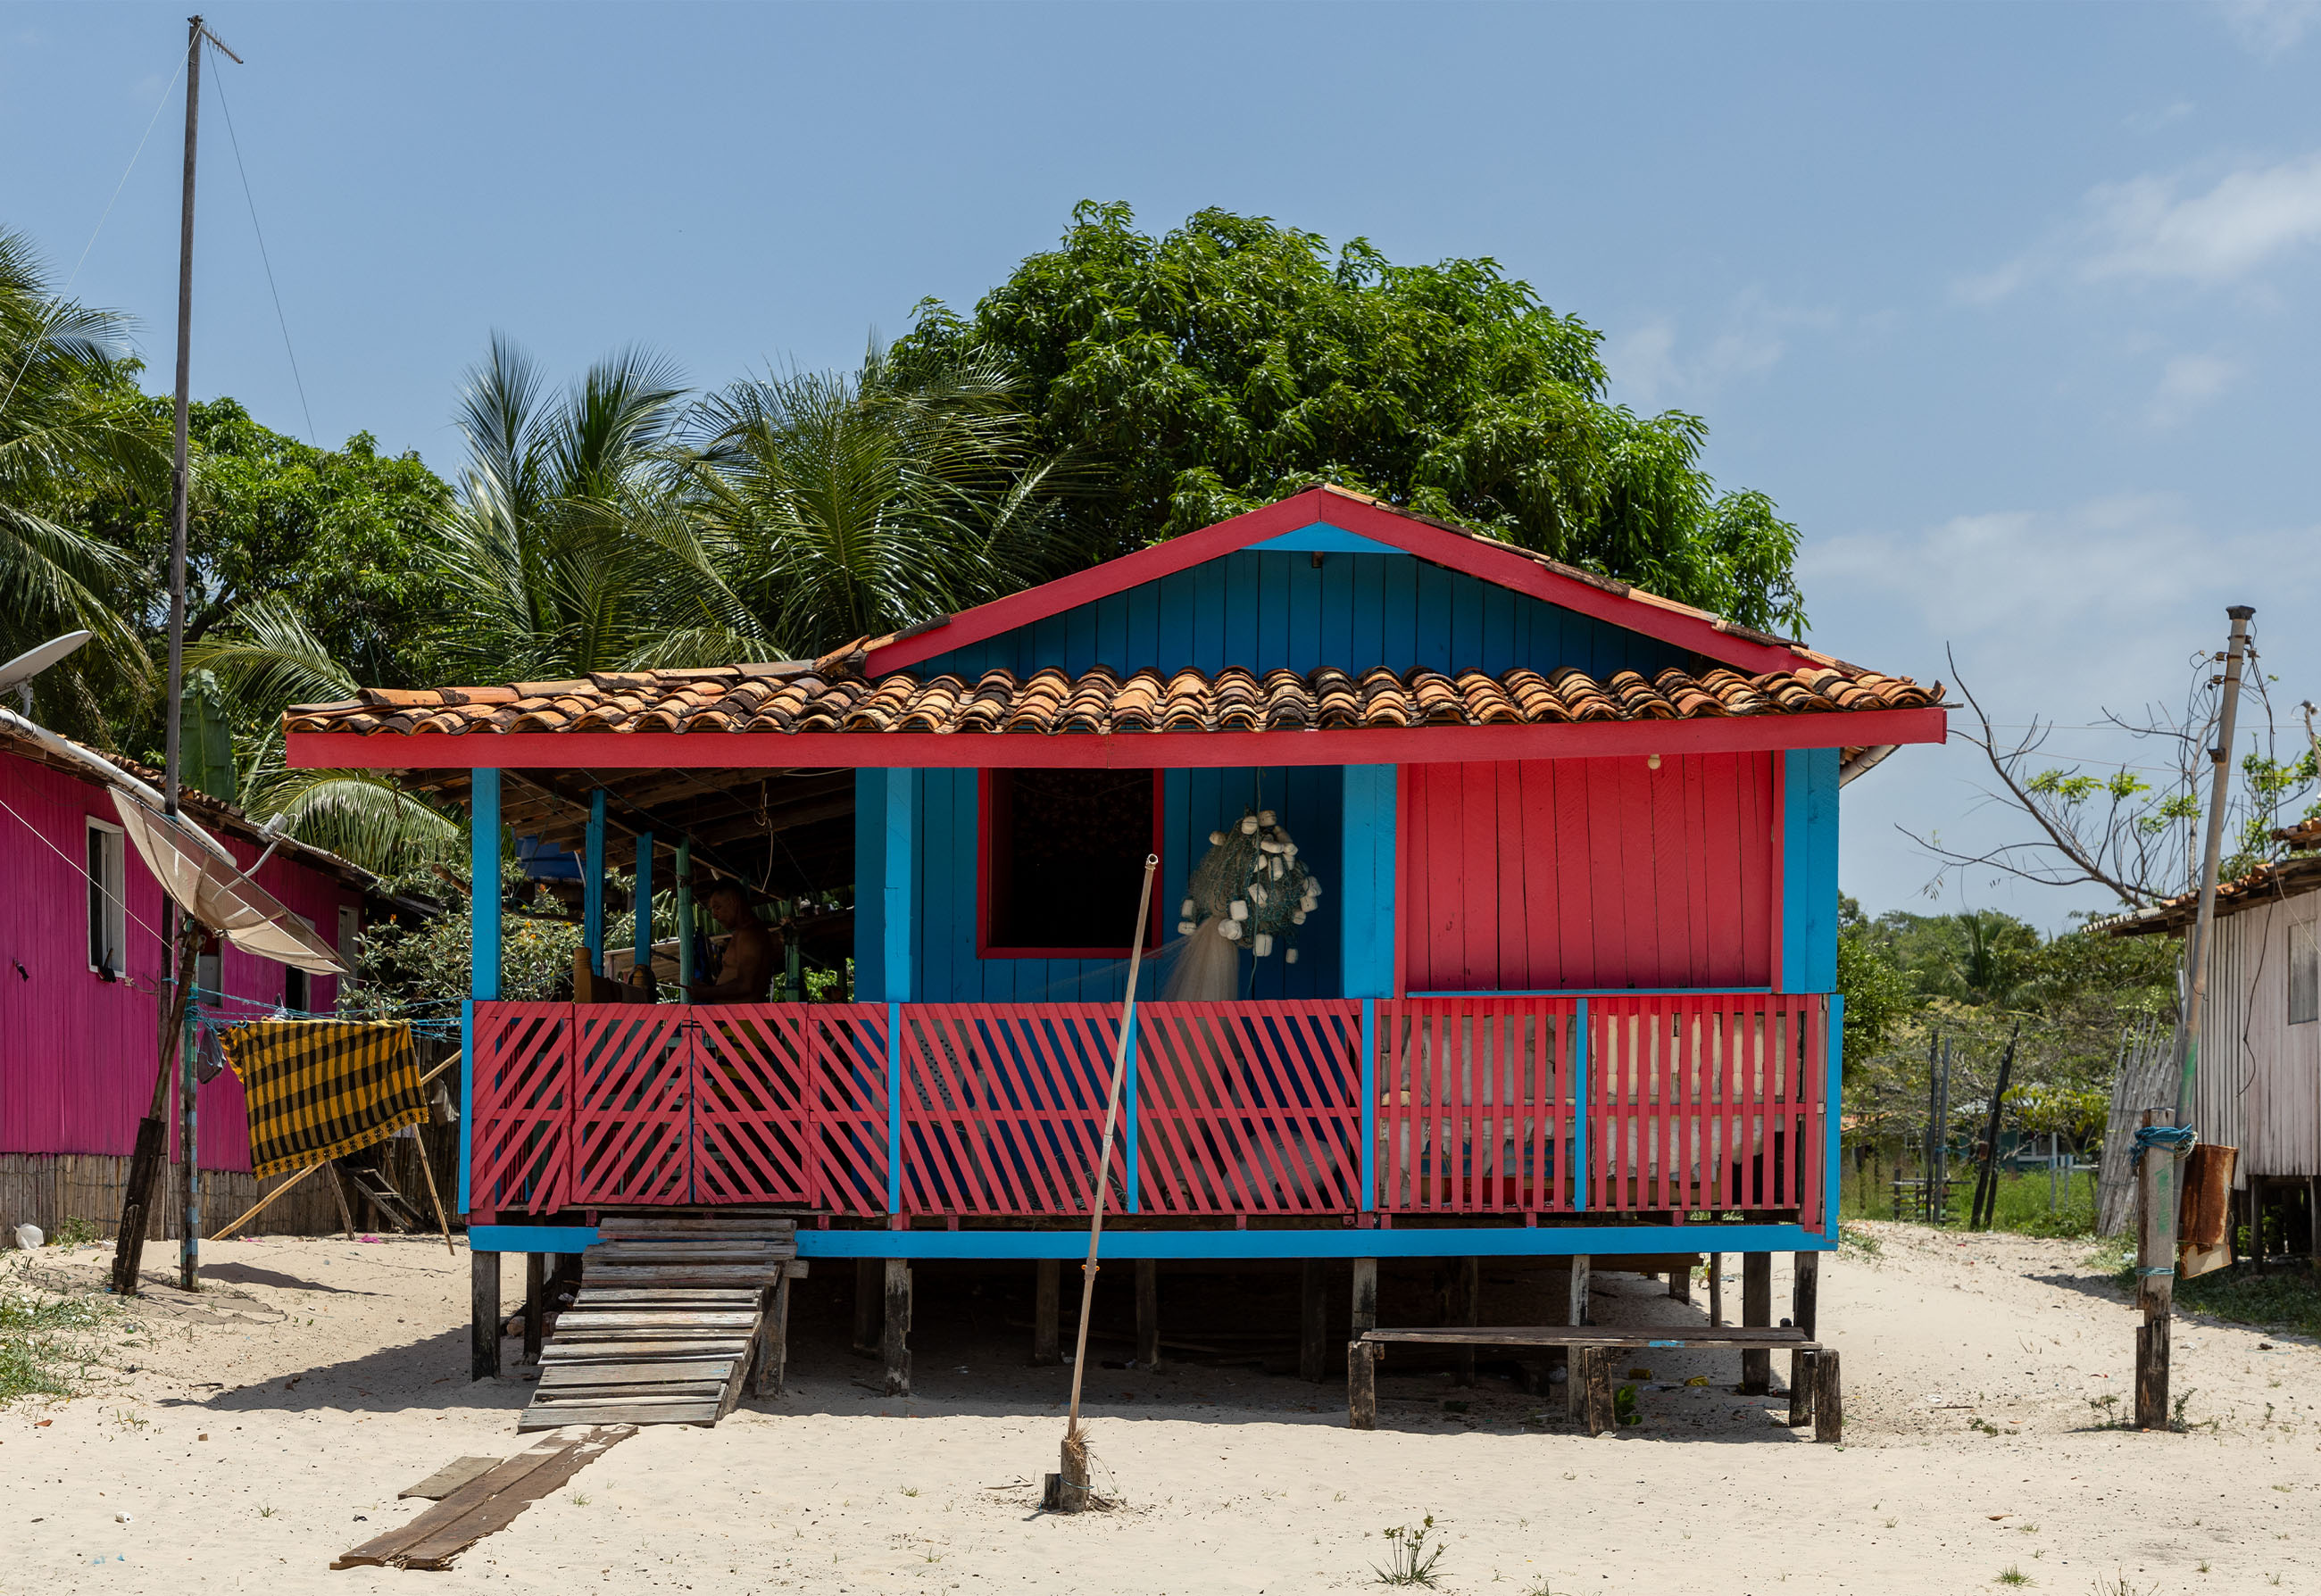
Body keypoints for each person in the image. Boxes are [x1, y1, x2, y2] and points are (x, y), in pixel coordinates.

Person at [683, 880, 784, 1004]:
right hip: (737, 1020)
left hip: (744, 1021)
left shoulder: (750, 933)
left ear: (734, 902)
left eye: (717, 907)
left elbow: (746, 985)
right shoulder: (743, 933)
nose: (714, 915)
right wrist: (708, 989)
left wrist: (707, 992)